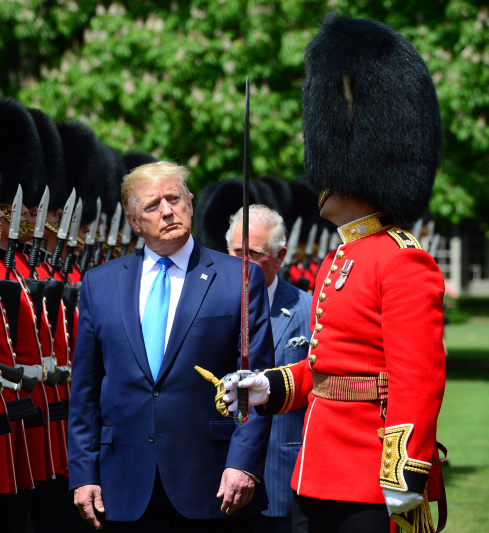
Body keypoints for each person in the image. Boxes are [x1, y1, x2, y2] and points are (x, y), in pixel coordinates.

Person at [228, 13, 446, 533]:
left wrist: (405, 471)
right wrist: (270, 386)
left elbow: (418, 378)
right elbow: (329, 369)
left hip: (372, 478)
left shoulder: (401, 259)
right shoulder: (341, 257)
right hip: (319, 471)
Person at [68, 161, 274, 532]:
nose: (167, 210)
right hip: (124, 486)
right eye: (152, 205)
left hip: (213, 484)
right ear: (134, 222)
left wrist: (243, 461)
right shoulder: (101, 284)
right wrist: (83, 474)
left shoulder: (238, 278)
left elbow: (255, 381)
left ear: (190, 205)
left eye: (175, 198)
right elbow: (85, 392)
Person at [226, 205, 312, 533]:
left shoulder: (308, 309)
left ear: (279, 257)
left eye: (254, 253)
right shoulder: (210, 304)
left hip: (282, 475)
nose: (243, 261)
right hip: (221, 477)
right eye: (236, 251)